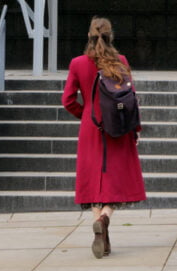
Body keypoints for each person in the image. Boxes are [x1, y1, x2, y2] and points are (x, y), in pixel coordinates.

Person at [61, 16, 146, 258]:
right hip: (118, 129)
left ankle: (100, 228)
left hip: (91, 128)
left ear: (88, 36)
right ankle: (105, 218)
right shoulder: (121, 61)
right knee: (115, 182)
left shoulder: (77, 63)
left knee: (93, 181)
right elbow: (131, 101)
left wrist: (85, 114)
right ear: (111, 37)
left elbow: (67, 100)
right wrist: (135, 130)